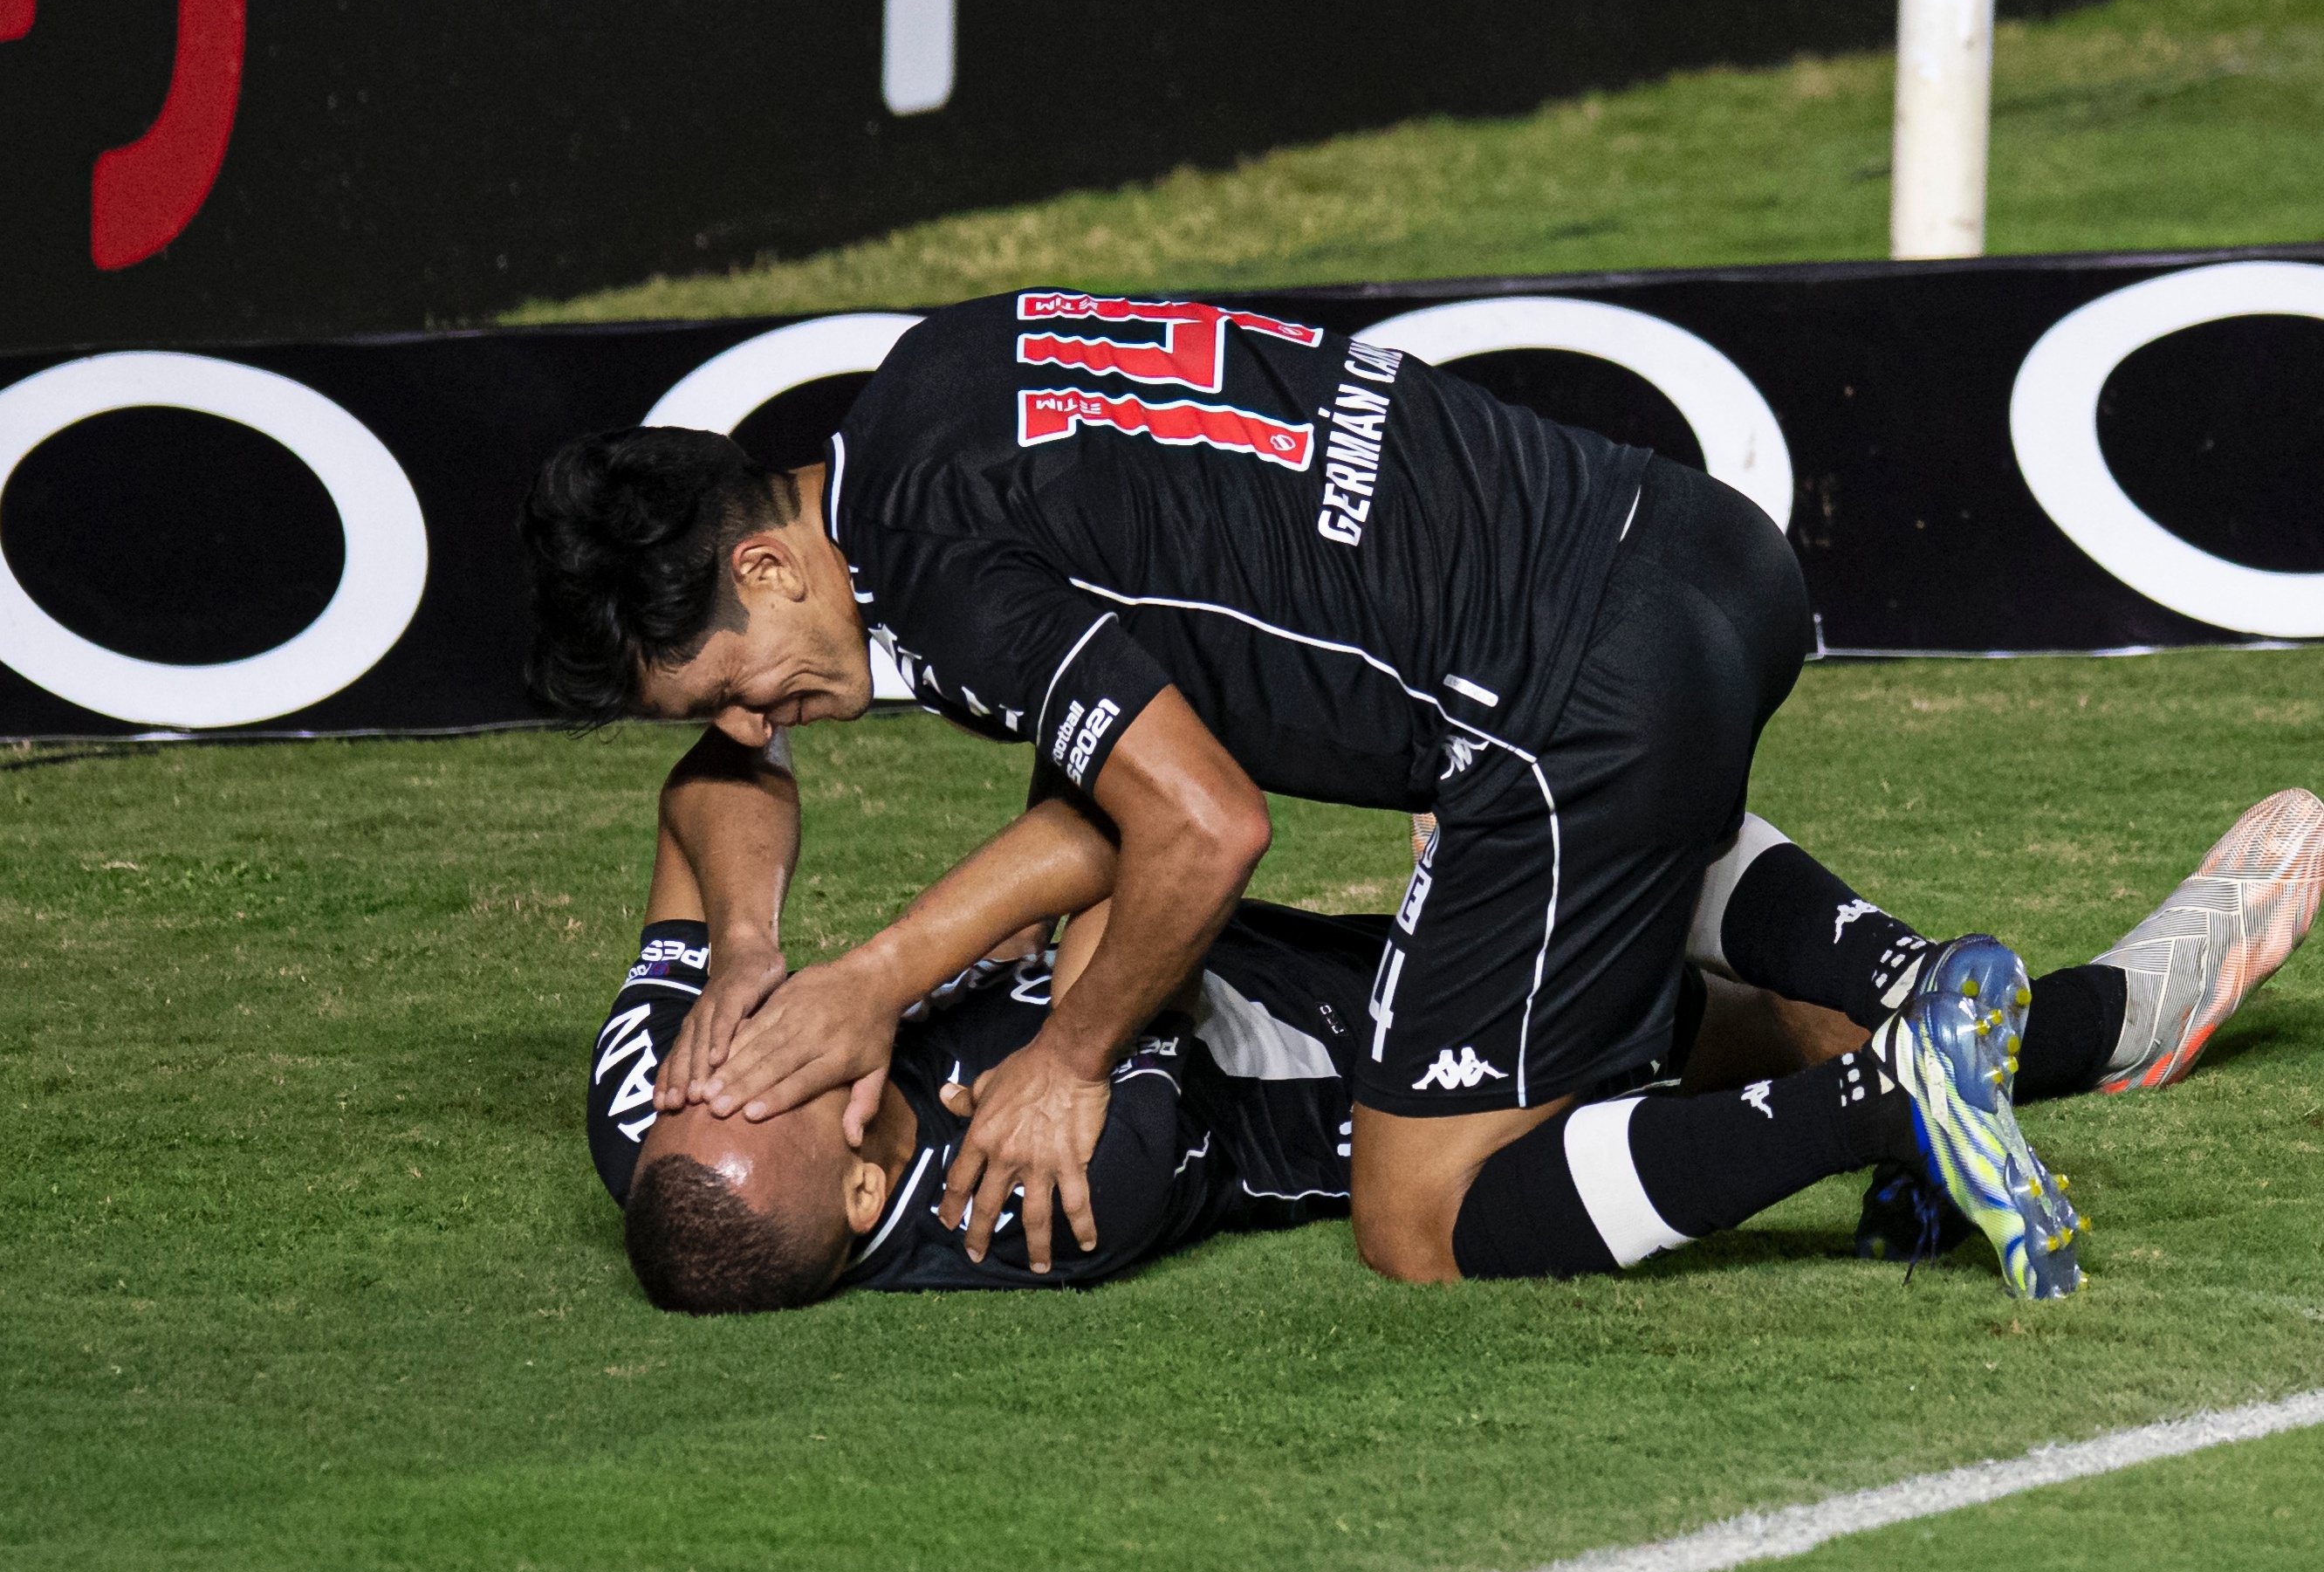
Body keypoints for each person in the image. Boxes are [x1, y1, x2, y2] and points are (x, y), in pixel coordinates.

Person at [516, 286, 2279, 1299]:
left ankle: (1893, 1080)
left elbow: (1199, 824)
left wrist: (1056, 1056)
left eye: (742, 689)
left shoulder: (941, 578)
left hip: (1563, 703)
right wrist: (833, 960)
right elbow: (1118, 791)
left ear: (763, 567)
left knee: (1421, 1210)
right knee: (1595, 921)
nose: (768, 727)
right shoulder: (934, 383)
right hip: (1683, 547)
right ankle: (2012, 1013)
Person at [588, 768, 2324, 1309]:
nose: (757, 1056)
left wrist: (742, 949)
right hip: (1443, 1082)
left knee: (1752, 1011)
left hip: (1421, 1003)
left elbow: (712, 796)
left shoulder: (682, 1124)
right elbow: (1148, 854)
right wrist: (896, 972)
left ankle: (2004, 1036)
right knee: (1564, 789)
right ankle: (2070, 1025)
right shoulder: (1045, 1200)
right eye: (794, 1082)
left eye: (724, 1072)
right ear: (880, 1159)